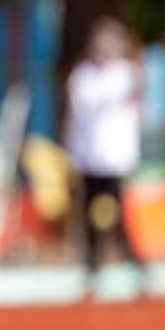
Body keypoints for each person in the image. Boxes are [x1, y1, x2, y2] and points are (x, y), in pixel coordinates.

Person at [63, 16, 147, 292]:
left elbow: (137, 74)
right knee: (88, 215)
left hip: (113, 159)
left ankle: (136, 267)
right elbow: (87, 106)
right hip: (89, 157)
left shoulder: (125, 72)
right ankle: (92, 269)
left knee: (118, 214)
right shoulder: (83, 76)